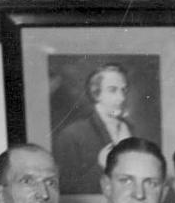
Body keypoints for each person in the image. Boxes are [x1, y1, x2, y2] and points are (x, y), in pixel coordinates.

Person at [53, 63, 135, 195]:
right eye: (112, 90)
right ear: (96, 94)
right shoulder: (72, 134)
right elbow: (66, 192)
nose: (122, 98)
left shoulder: (130, 129)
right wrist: (101, 167)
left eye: (123, 90)